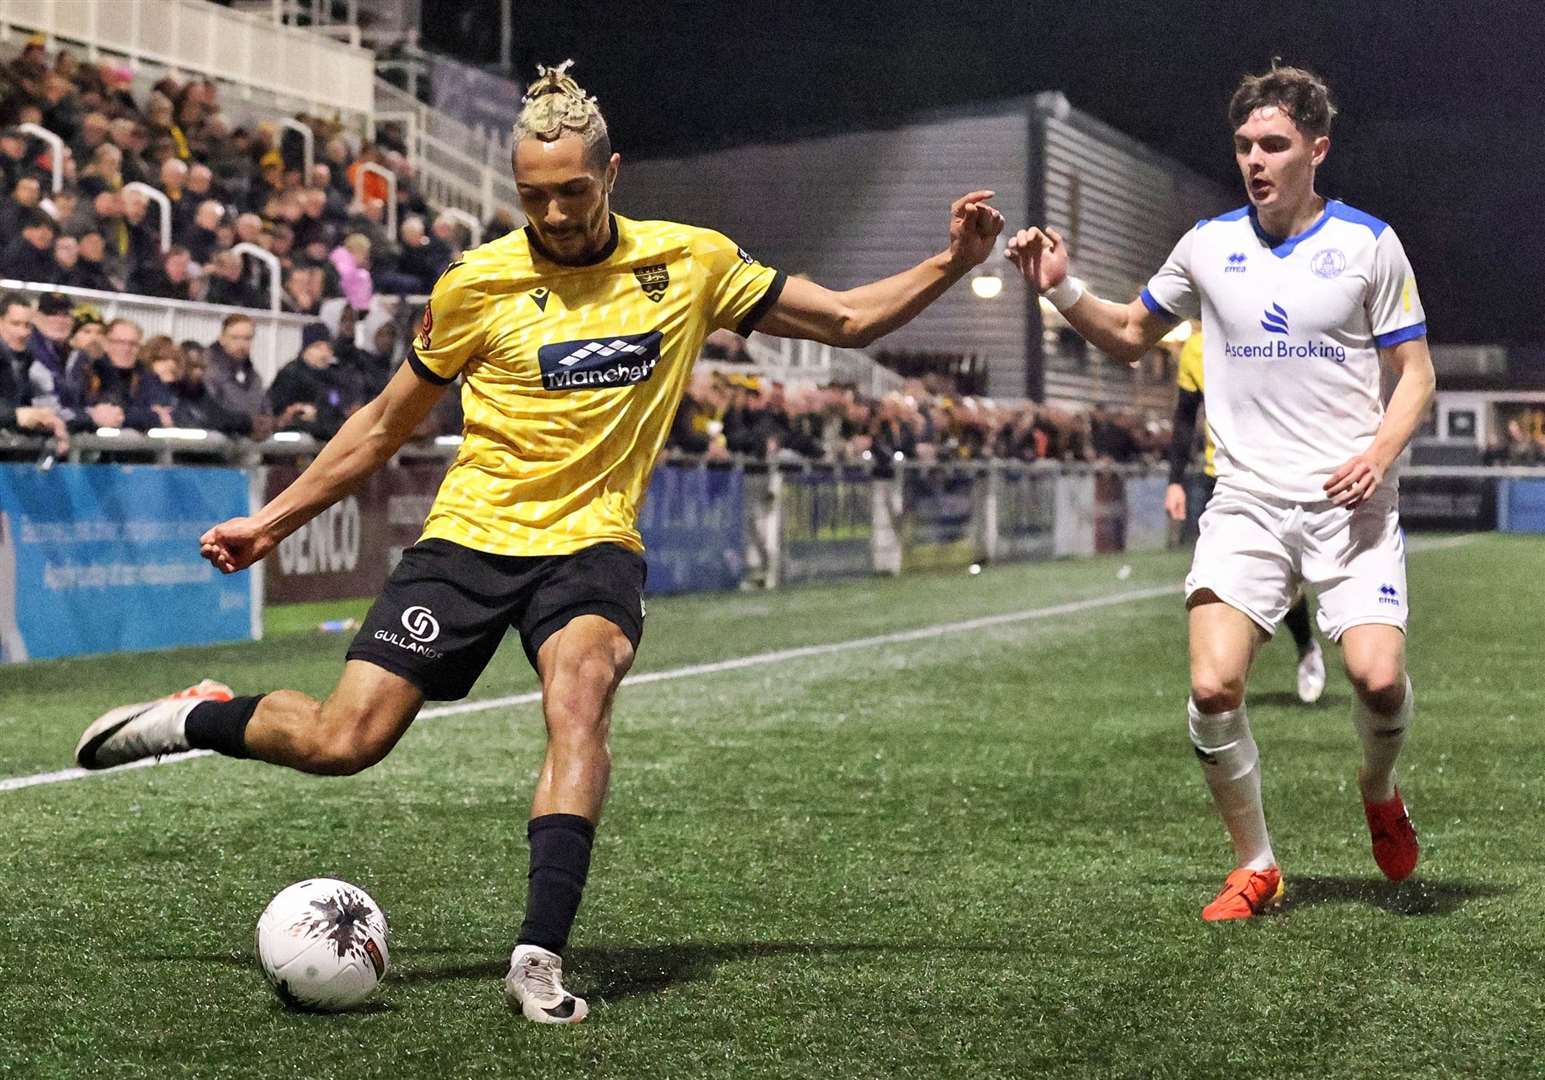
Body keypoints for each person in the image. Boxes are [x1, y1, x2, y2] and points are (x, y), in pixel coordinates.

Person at [75, 59, 1004, 1024]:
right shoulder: (476, 283)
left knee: (581, 694)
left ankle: (536, 956)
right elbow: (383, 428)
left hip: (594, 543)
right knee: (341, 742)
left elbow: (847, 319)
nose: (552, 214)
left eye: (570, 192)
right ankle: (198, 717)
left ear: (611, 175)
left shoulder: (689, 261)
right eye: (532, 197)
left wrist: (951, 264)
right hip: (470, 537)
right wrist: (270, 522)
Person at [1005, 64, 1434, 921]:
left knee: (1377, 681)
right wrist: (1060, 286)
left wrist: (1378, 456)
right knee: (1211, 688)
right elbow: (1129, 335)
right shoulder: (1206, 244)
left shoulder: (1368, 244)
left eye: (1273, 144)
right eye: (1243, 145)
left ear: (1316, 149)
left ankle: (1379, 791)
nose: (1255, 159)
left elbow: (1415, 375)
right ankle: (1257, 864)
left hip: (1350, 508)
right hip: (1243, 505)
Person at [1166, 324, 1326, 705]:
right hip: (1217, 480)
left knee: (1281, 582)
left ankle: (1305, 647)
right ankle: (1225, 678)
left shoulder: (1272, 330)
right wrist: (1174, 481)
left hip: (1276, 477)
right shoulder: (1195, 347)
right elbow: (1185, 417)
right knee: (1219, 585)